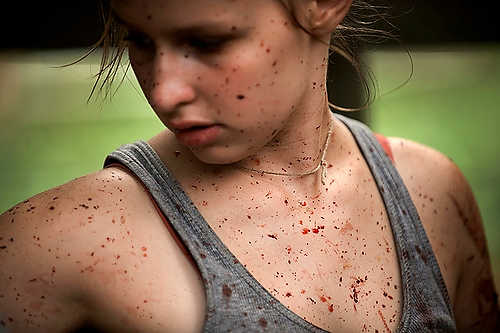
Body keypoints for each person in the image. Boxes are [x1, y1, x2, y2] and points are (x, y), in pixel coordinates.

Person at [0, 0, 498, 332]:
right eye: (140, 41)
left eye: (210, 41)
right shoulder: (67, 239)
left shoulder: (430, 193)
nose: (164, 90)